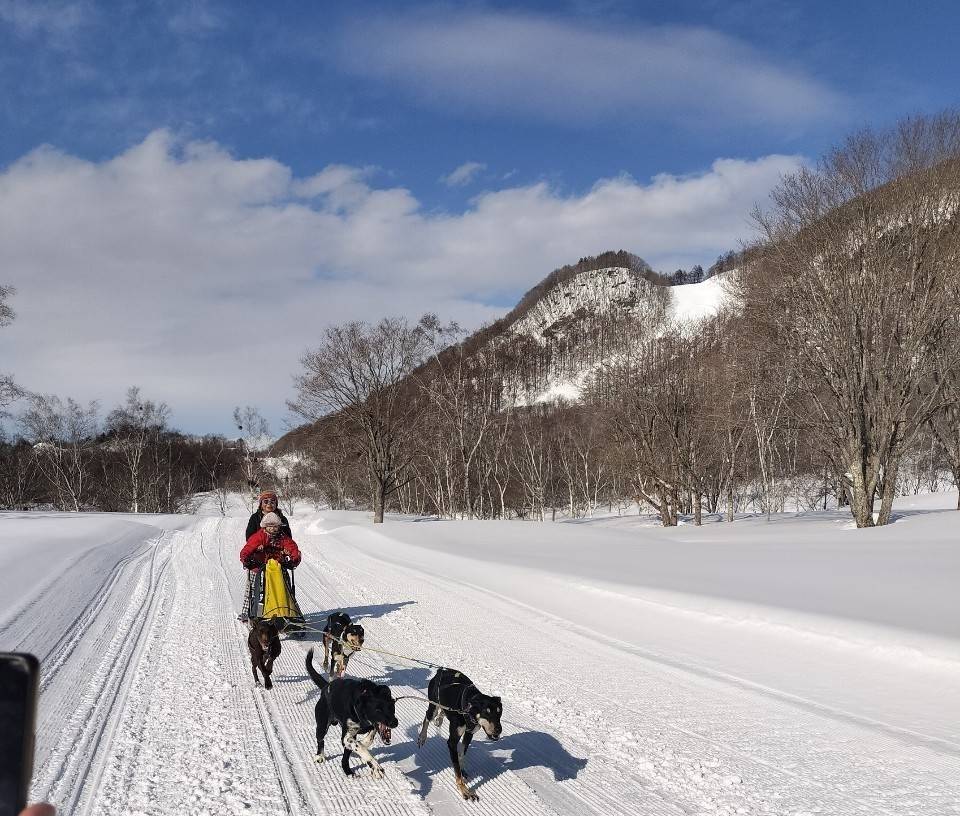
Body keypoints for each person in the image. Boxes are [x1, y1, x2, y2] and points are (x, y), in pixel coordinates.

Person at [238, 513, 301, 622]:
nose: (272, 528)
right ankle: (248, 612)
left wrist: (294, 559)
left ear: (279, 526)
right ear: (264, 526)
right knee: (253, 589)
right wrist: (246, 559)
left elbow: (293, 548)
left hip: (277, 567)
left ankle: (290, 612)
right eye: (269, 526)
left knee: (285, 588)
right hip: (259, 566)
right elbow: (247, 549)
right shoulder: (260, 536)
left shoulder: (282, 537)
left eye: (275, 526)